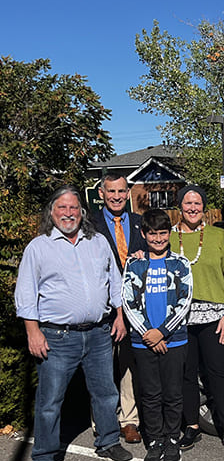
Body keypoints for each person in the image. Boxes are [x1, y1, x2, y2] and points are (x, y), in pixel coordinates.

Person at [15, 186, 133, 461]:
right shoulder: (38, 248)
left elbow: (115, 281)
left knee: (106, 392)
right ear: (51, 213)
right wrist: (33, 332)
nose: (68, 213)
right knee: (50, 400)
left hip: (98, 334)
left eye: (73, 208)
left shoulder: (98, 242)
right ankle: (44, 457)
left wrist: (119, 316)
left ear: (82, 212)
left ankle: (108, 441)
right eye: (62, 208)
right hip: (57, 337)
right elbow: (26, 294)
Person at [174, 184, 224, 454]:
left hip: (214, 317)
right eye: (187, 203)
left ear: (204, 207)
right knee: (187, 374)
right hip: (180, 318)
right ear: (179, 207)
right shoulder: (168, 238)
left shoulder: (218, 236)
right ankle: (191, 425)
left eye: (197, 203)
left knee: (218, 372)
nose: (192, 208)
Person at [121, 208, 193, 461]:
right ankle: (155, 441)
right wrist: (148, 334)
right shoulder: (135, 263)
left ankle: (173, 439)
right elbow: (128, 302)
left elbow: (185, 302)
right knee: (150, 395)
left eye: (163, 233)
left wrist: (161, 332)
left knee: (173, 394)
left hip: (174, 340)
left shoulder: (181, 264)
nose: (158, 239)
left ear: (169, 234)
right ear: (144, 234)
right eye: (153, 234)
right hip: (142, 341)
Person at [92, 174, 147, 444]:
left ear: (128, 193)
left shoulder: (139, 224)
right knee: (101, 369)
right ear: (101, 193)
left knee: (129, 366)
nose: (116, 196)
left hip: (134, 309)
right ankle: (102, 421)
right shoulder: (89, 225)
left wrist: (145, 257)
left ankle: (129, 420)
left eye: (121, 191)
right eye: (111, 191)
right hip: (101, 309)